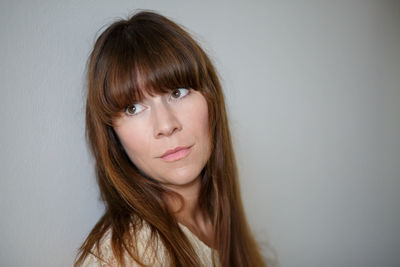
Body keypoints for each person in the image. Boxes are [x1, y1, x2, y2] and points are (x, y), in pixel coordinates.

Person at [74, 10, 267, 267]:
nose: (166, 126)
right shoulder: (128, 256)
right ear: (113, 135)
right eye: (133, 108)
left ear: (210, 99)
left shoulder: (217, 223)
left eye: (177, 92)